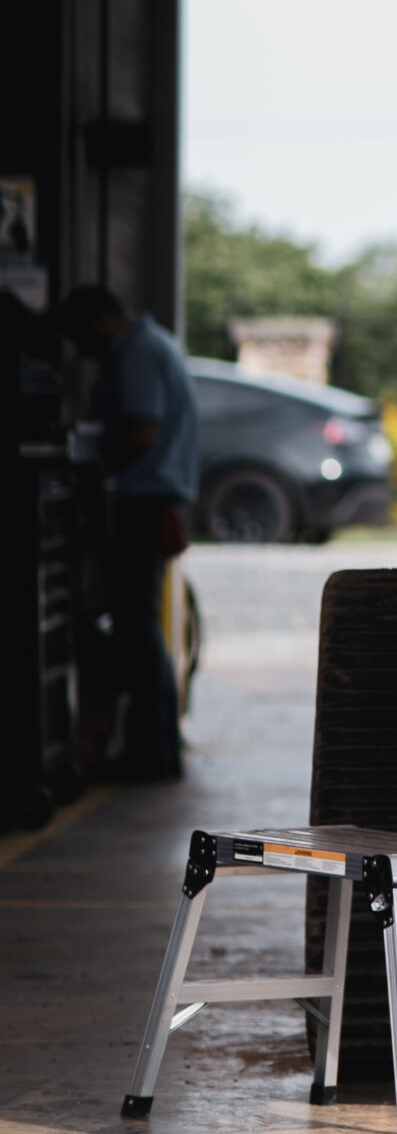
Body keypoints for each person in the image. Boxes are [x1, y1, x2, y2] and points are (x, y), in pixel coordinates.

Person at [57, 285, 200, 781]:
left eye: (79, 337)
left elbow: (142, 431)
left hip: (144, 503)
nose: (80, 351)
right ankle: (152, 748)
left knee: (136, 627)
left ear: (99, 321)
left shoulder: (138, 352)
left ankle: (152, 754)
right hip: (152, 500)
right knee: (139, 626)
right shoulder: (153, 343)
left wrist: (86, 456)